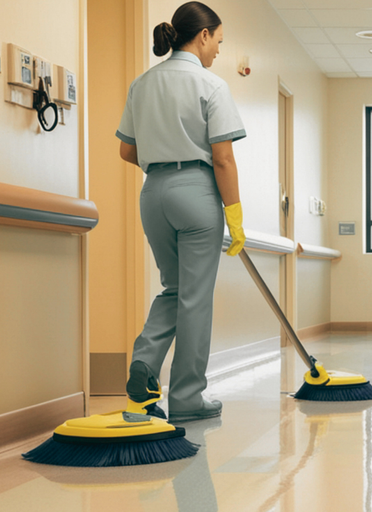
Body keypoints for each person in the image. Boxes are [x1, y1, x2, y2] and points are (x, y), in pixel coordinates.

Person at [117, 1, 246, 423]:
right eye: (219, 42)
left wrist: (164, 170)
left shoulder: (142, 83)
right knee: (194, 299)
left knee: (173, 289)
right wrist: (235, 214)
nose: (219, 52)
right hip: (196, 191)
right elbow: (223, 159)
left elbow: (127, 149)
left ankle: (145, 363)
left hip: (153, 192)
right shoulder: (211, 85)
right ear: (203, 35)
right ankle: (188, 397)